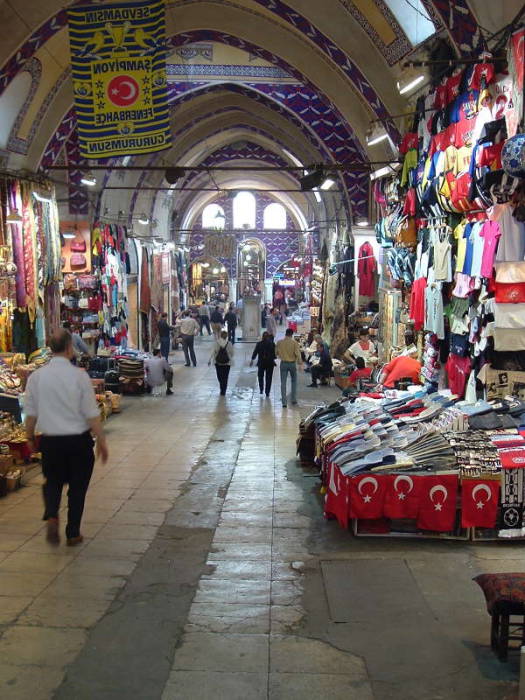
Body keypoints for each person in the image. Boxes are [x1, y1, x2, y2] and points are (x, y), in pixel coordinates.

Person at [24, 329, 108, 546]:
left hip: (51, 441)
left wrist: (29, 438)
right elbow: (91, 412)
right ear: (70, 348)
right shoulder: (79, 376)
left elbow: (31, 413)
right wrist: (101, 440)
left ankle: (52, 514)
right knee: (77, 489)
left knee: (52, 482)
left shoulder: (36, 377)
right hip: (78, 442)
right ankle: (73, 533)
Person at [276, 327, 302, 407]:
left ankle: (284, 402)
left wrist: (281, 355)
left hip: (283, 363)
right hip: (292, 364)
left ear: (285, 334)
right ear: (292, 334)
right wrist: (300, 363)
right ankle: (293, 399)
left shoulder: (279, 342)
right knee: (294, 381)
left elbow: (276, 353)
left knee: (283, 383)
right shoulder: (294, 343)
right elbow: (297, 354)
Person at [250, 331, 276, 397]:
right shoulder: (272, 344)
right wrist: (273, 359)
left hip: (261, 362)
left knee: (260, 376)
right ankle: (267, 392)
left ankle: (261, 389)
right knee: (269, 378)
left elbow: (255, 352)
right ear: (268, 337)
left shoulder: (259, 344)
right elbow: (274, 354)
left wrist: (252, 359)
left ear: (262, 337)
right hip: (270, 363)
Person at [209, 329, 234, 395]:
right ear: (226, 336)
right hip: (227, 363)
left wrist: (209, 360)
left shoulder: (216, 343)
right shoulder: (229, 343)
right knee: (225, 377)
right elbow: (232, 353)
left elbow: (213, 352)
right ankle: (224, 390)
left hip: (218, 362)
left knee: (219, 376)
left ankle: (221, 387)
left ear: (220, 336)